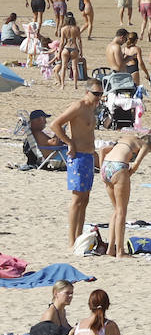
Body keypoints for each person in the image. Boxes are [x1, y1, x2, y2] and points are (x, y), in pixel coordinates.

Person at [51, 80, 100, 247]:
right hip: (77, 156)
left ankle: (79, 237)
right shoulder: (78, 106)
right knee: (77, 198)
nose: (99, 98)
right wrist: (69, 143)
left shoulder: (93, 108)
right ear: (87, 92)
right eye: (96, 94)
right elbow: (55, 124)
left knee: (85, 199)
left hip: (88, 156)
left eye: (101, 94)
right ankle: (71, 241)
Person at [95, 133, 151, 258]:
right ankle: (120, 251)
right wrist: (126, 175)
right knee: (122, 212)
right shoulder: (144, 145)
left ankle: (111, 249)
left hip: (106, 166)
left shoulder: (125, 139)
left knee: (116, 211)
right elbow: (136, 165)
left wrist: (102, 170)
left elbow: (102, 150)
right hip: (119, 166)